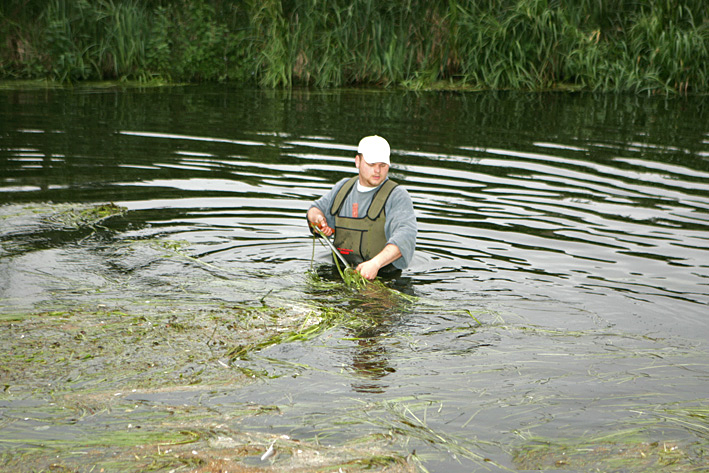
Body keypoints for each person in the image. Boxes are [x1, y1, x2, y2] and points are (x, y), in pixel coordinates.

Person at [307, 135, 417, 280]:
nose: (377, 170)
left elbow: (405, 237)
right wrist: (318, 219)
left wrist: (375, 264)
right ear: (357, 161)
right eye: (371, 164)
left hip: (383, 279)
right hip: (339, 274)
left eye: (382, 165)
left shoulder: (397, 196)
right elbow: (315, 209)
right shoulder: (343, 188)